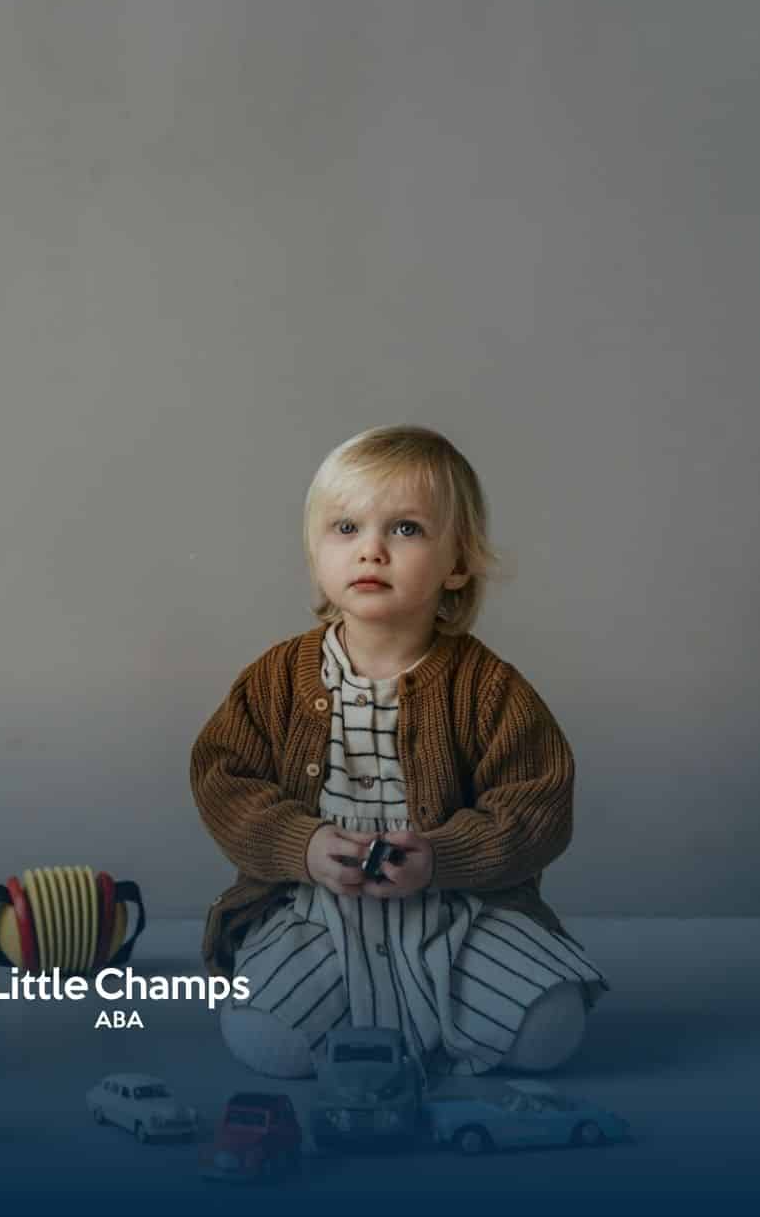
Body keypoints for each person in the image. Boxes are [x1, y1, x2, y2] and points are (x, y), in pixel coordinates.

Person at [191, 426, 606, 1079]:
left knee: (549, 1032)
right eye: (346, 528)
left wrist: (442, 856)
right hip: (314, 909)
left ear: (458, 562)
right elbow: (224, 779)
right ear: (315, 555)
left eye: (406, 529)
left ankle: (429, 1010)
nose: (373, 551)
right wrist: (301, 845)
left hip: (457, 911)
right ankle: (371, 1015)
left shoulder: (489, 687)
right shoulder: (275, 678)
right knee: (260, 1039)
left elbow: (537, 804)